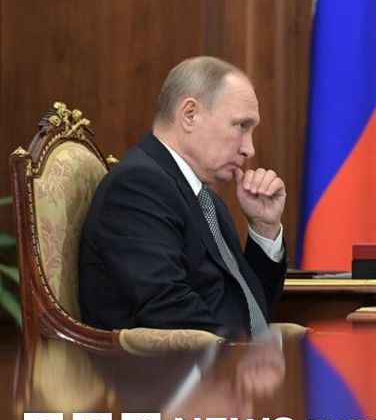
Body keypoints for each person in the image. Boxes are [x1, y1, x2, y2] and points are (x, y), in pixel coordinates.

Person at [79, 56, 287, 339]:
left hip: (222, 361)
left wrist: (264, 228)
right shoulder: (138, 188)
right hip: (168, 367)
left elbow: (249, 311)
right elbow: (169, 310)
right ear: (190, 114)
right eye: (241, 126)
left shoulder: (205, 198)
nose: (249, 149)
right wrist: (241, 358)